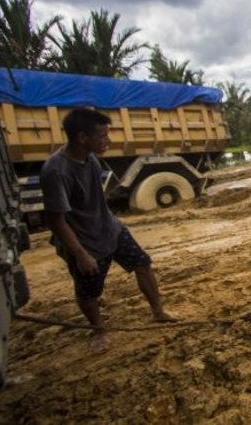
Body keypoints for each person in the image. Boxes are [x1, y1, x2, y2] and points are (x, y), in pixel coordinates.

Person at [40, 108, 175, 351]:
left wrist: (112, 220)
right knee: (89, 291)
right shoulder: (56, 171)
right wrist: (80, 254)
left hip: (110, 229)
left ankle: (158, 311)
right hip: (84, 242)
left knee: (142, 263)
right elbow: (55, 220)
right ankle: (98, 331)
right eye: (102, 136)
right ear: (82, 137)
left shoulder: (90, 158)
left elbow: (95, 199)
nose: (108, 141)